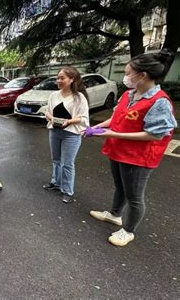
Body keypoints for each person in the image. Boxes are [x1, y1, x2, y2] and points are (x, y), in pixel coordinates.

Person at [88, 50, 177, 247]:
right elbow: (117, 118)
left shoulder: (159, 101)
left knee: (135, 197)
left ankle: (128, 231)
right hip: (119, 150)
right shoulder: (129, 94)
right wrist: (97, 127)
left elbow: (155, 134)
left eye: (128, 73)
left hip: (138, 157)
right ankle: (114, 214)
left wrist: (113, 134)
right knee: (120, 186)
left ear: (142, 75)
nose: (125, 77)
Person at [43, 67, 89, 203]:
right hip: (55, 131)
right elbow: (47, 111)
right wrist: (51, 118)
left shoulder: (79, 97)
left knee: (67, 163)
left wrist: (69, 121)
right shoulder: (54, 96)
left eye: (62, 78)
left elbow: (83, 118)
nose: (59, 80)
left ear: (72, 79)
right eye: (58, 78)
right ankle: (55, 182)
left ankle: (67, 190)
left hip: (71, 134)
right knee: (56, 159)